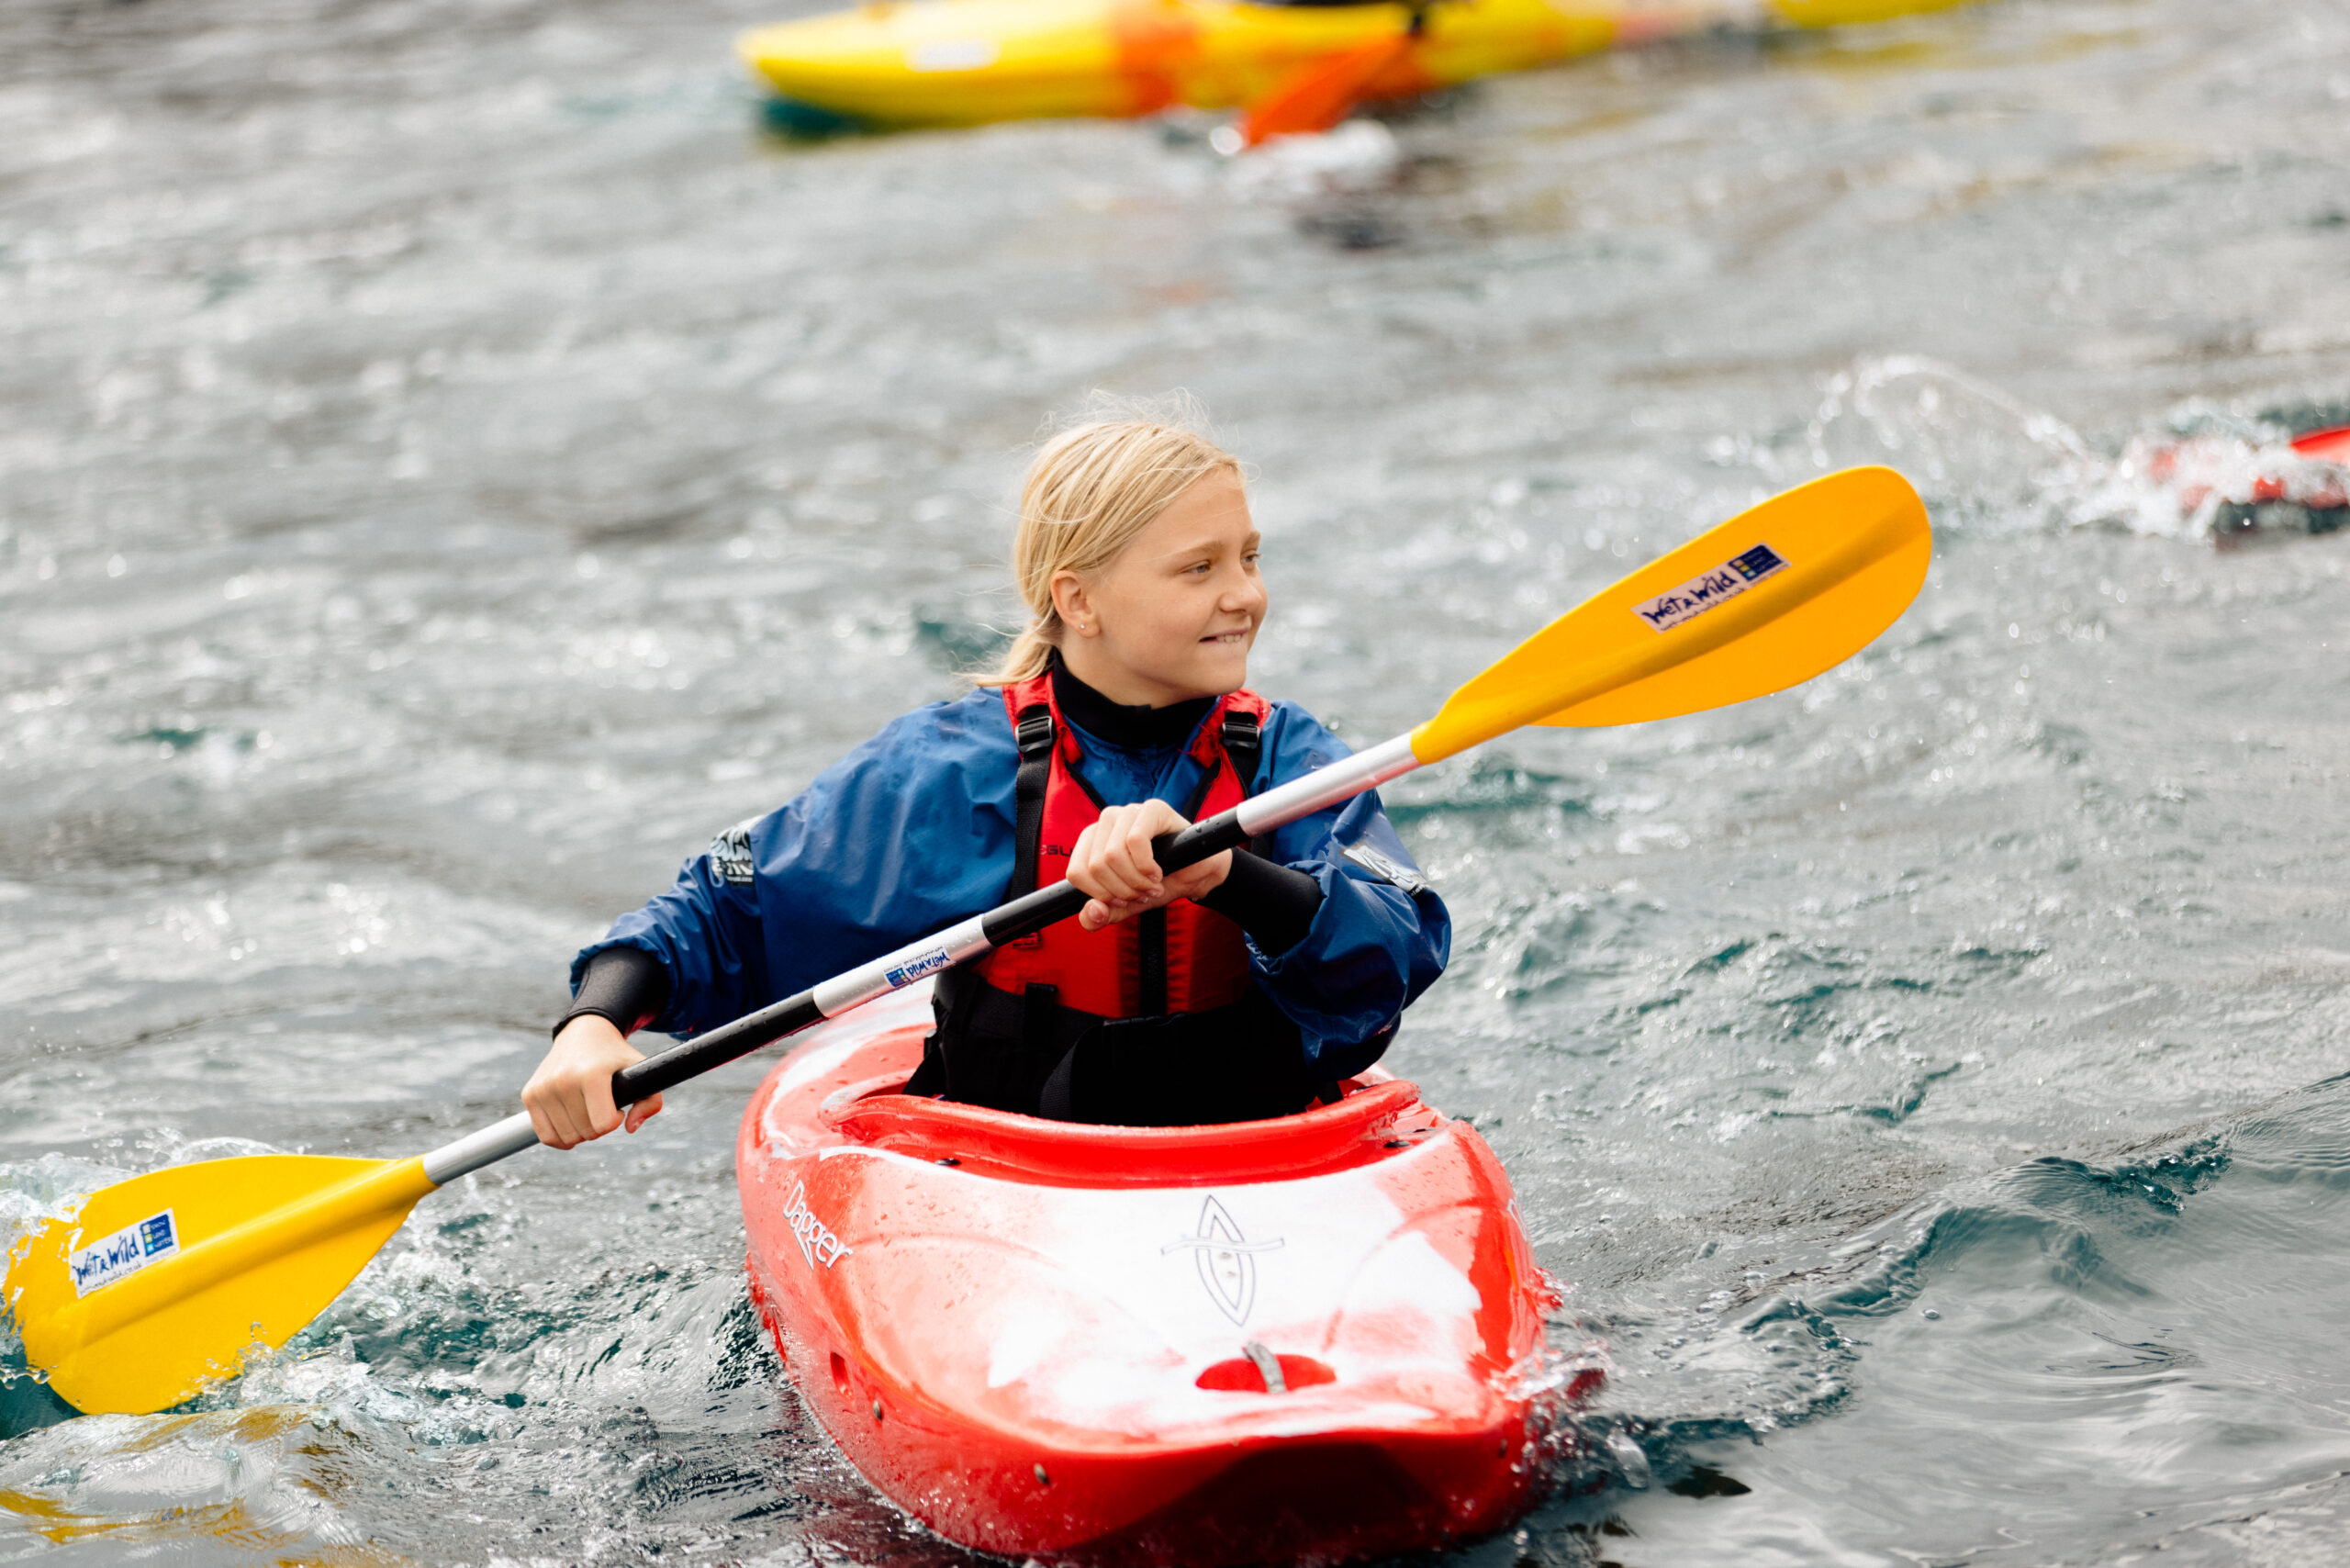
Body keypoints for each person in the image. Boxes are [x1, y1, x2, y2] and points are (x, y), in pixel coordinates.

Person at [520, 412, 1448, 1147]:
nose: (1244, 593)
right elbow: (724, 914)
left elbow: (1396, 953)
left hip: (1266, 1147)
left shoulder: (1289, 763)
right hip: (1015, 1157)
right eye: (1197, 568)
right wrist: (595, 1024)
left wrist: (1224, 873)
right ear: (1078, 600)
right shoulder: (957, 771)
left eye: (1248, 557)